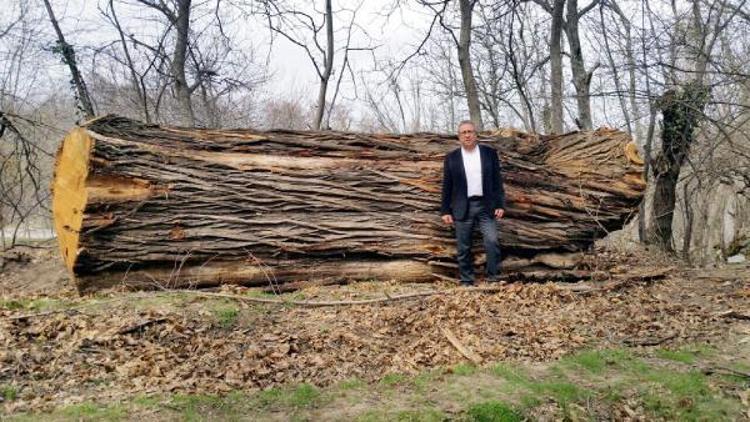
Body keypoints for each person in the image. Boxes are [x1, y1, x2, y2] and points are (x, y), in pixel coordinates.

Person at [440, 120, 506, 286]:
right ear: (459, 136)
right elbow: (447, 185)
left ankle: (493, 278)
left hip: (486, 205)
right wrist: (445, 210)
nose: (467, 135)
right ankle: (467, 280)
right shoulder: (452, 158)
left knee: (492, 241)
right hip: (463, 206)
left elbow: (497, 181)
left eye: (470, 131)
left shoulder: (489, 153)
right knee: (463, 246)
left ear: (476, 134)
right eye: (464, 132)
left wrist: (500, 204)